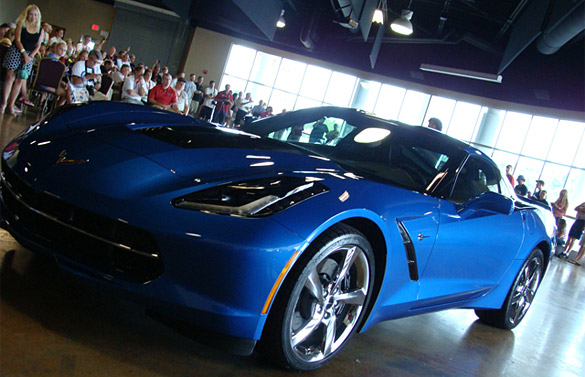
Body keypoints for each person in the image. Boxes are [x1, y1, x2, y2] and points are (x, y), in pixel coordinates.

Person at [1, 4, 44, 115]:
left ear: (38, 16)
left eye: (35, 15)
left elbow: (38, 45)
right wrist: (23, 53)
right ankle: (4, 103)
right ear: (27, 15)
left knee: (20, 80)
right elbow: (18, 40)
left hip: (29, 56)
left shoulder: (40, 30)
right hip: (17, 51)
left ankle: (11, 105)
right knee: (10, 77)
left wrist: (30, 56)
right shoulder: (21, 25)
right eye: (31, 14)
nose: (33, 17)